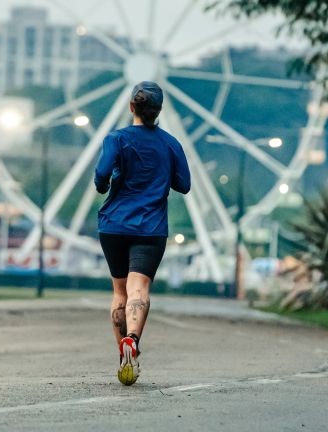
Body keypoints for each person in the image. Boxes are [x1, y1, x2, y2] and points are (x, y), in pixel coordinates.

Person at [94, 81, 191, 385]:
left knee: (119, 292)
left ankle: (124, 358)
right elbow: (184, 184)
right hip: (150, 227)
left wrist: (105, 186)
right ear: (158, 110)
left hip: (114, 225)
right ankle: (132, 341)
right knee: (140, 289)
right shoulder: (171, 143)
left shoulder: (117, 138)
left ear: (131, 107)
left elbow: (101, 174)